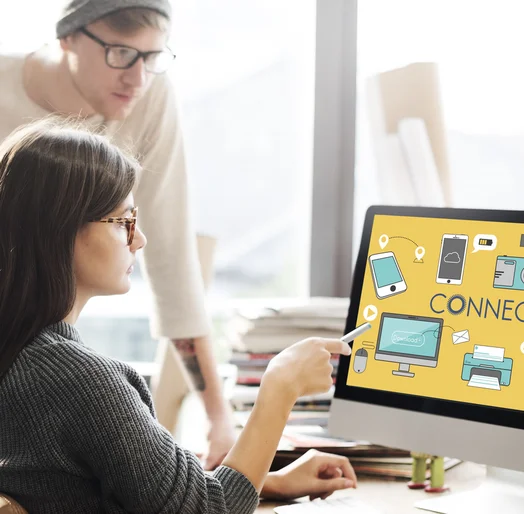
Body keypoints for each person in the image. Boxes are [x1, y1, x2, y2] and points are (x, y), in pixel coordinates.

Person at [0, 119, 357, 513]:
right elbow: (208, 510)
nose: (140, 240)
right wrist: (280, 388)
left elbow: (104, 488)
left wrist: (266, 482)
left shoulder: (23, 358)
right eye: (124, 222)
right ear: (61, 231)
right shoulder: (80, 381)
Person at [0, 0, 237, 468]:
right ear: (67, 37)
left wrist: (218, 417)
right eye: (121, 53)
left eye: (153, 57)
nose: (138, 78)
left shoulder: (150, 94)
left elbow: (170, 256)